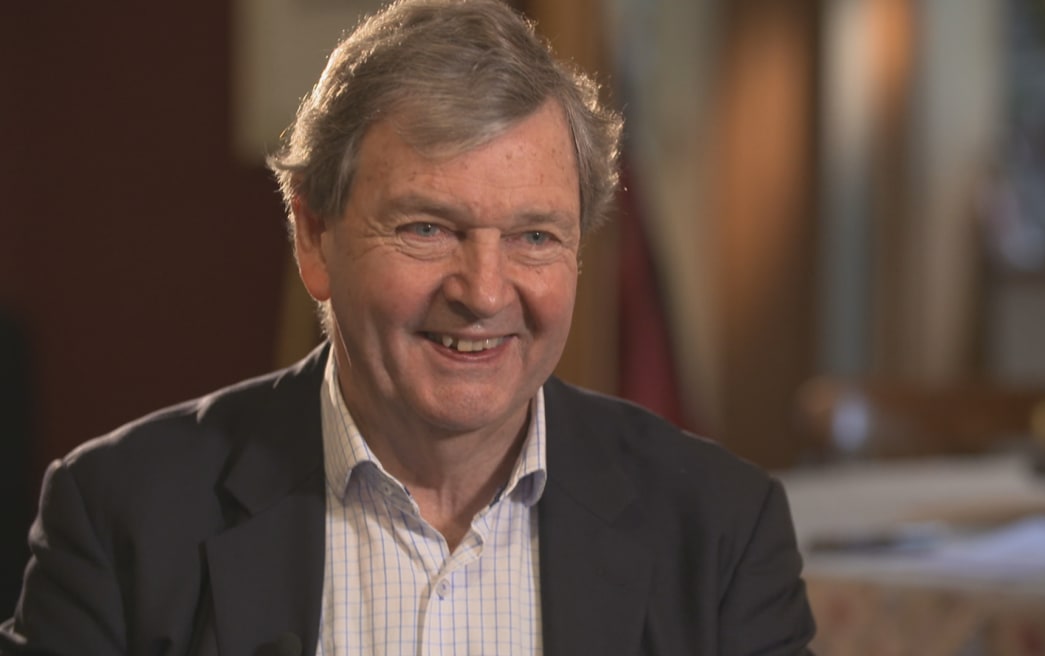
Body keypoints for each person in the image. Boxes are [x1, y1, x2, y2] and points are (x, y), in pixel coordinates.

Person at [0, 0, 815, 653]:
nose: (485, 291)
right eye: (428, 228)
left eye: (535, 236)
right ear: (314, 238)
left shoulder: (718, 531)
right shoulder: (122, 520)